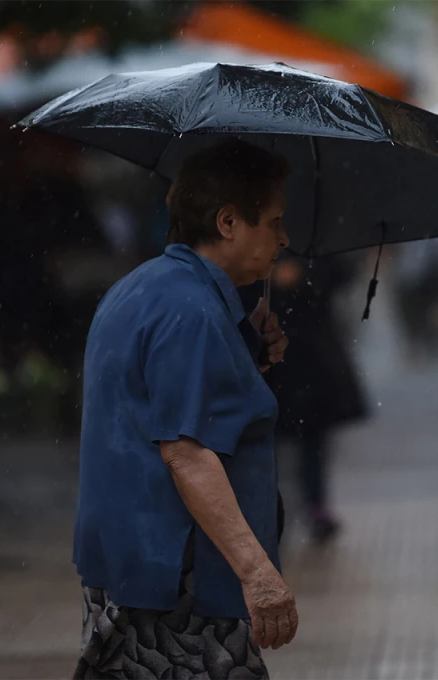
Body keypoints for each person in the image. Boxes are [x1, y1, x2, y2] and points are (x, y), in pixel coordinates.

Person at [73, 139, 296, 678]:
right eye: (272, 222)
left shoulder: (147, 286)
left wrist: (249, 356)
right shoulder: (191, 310)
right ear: (227, 222)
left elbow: (164, 405)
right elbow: (187, 451)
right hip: (177, 579)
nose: (284, 238)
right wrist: (258, 573)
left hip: (134, 566)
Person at [270, 254, 367, 542]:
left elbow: (342, 270)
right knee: (270, 440)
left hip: (310, 356)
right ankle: (273, 508)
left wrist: (303, 275)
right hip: (268, 354)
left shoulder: (316, 238)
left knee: (312, 437)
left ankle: (316, 505)